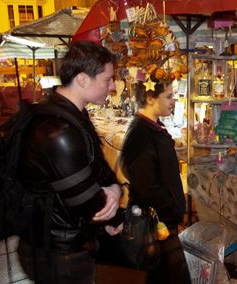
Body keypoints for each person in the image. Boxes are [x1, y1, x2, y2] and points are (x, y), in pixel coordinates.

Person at [17, 41, 124, 283]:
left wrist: (116, 188)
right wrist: (114, 214)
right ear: (83, 79)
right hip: (57, 248)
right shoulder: (57, 130)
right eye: (107, 79)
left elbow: (98, 165)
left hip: (67, 238)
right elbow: (89, 202)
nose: (113, 86)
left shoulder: (73, 115)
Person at [121, 79, 189, 284]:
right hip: (158, 223)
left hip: (163, 221)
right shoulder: (141, 133)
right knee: (176, 278)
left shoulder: (152, 127)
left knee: (159, 276)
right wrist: (170, 207)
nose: (172, 102)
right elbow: (146, 185)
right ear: (150, 98)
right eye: (168, 97)